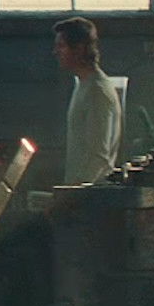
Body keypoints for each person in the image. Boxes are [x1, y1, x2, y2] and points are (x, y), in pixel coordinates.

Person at [55, 17, 126, 185]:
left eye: (61, 46)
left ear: (79, 49)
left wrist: (73, 193)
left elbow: (98, 157)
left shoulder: (97, 91)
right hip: (81, 192)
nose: (56, 52)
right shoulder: (83, 85)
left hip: (90, 195)